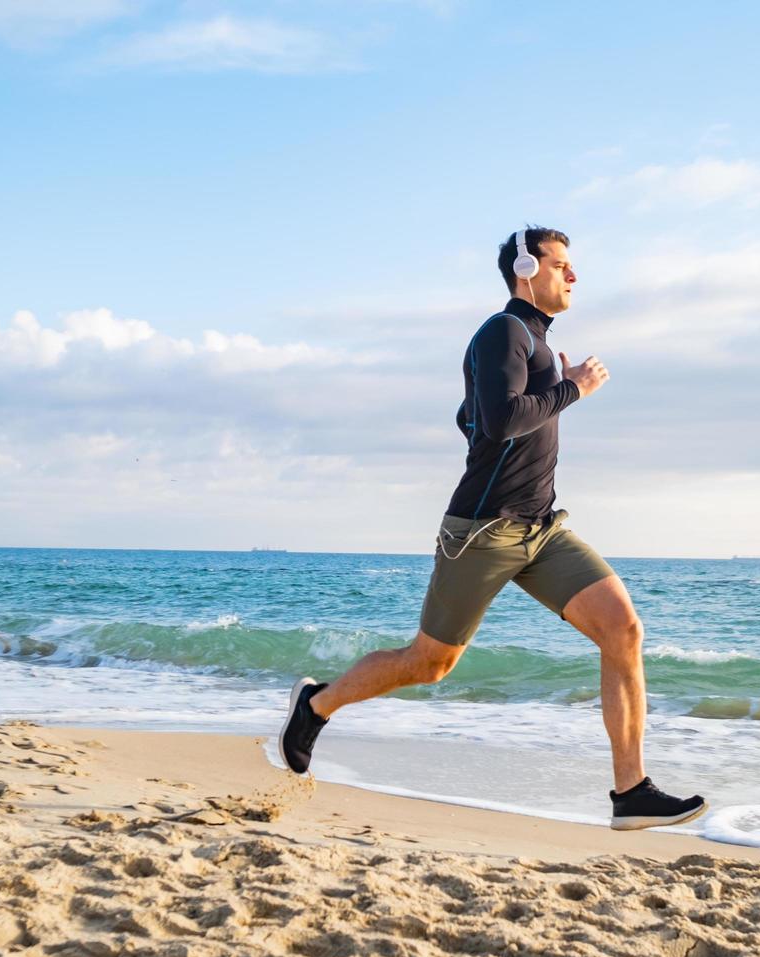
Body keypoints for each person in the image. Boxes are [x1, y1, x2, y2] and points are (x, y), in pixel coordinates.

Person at [278, 227, 707, 831]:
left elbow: (471, 416)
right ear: (527, 269)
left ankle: (630, 791)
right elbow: (500, 420)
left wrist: (543, 392)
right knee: (430, 663)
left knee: (623, 628)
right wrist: (572, 388)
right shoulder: (502, 331)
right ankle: (316, 705)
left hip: (542, 529)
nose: (573, 276)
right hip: (482, 532)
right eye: (562, 265)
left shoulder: (535, 344)